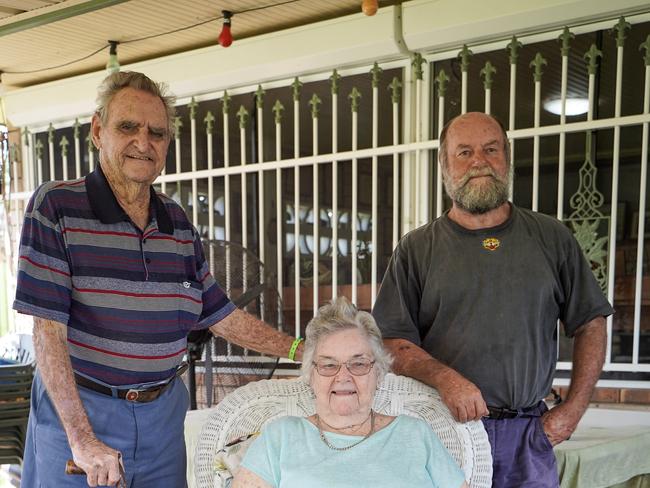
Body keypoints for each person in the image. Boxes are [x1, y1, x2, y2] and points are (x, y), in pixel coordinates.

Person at [13, 71, 303, 488]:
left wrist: (300, 349)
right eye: (128, 127)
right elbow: (48, 332)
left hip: (162, 420)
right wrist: (82, 439)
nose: (143, 142)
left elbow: (219, 313)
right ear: (98, 130)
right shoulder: (57, 206)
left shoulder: (177, 222)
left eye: (157, 133)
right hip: (81, 412)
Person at [372, 112, 614, 488]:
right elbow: (390, 342)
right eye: (464, 152)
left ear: (507, 158)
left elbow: (590, 323)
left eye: (490, 149)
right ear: (444, 166)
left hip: (528, 435)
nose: (479, 161)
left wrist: (574, 408)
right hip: (444, 431)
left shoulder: (552, 238)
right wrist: (446, 379)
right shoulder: (416, 249)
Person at [233, 297, 468, 488]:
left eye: (358, 364)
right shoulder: (281, 437)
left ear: (378, 372)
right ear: (310, 375)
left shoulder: (415, 433)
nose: (343, 377)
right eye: (328, 365)